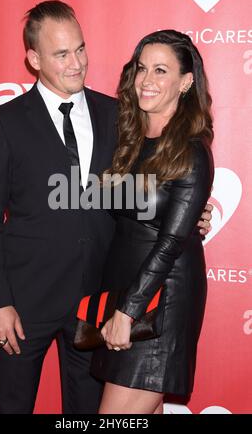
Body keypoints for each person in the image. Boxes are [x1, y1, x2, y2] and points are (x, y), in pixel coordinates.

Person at [0, 0, 212, 414]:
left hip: (99, 301)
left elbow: (149, 187)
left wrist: (189, 217)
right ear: (33, 59)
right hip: (25, 301)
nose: (76, 63)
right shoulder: (5, 123)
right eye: (61, 54)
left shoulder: (120, 116)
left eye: (80, 49)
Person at [90, 29, 214, 414]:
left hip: (162, 301)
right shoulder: (131, 138)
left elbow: (170, 242)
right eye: (142, 69)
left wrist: (128, 311)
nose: (147, 80)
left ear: (186, 82)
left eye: (161, 71)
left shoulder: (192, 151)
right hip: (127, 290)